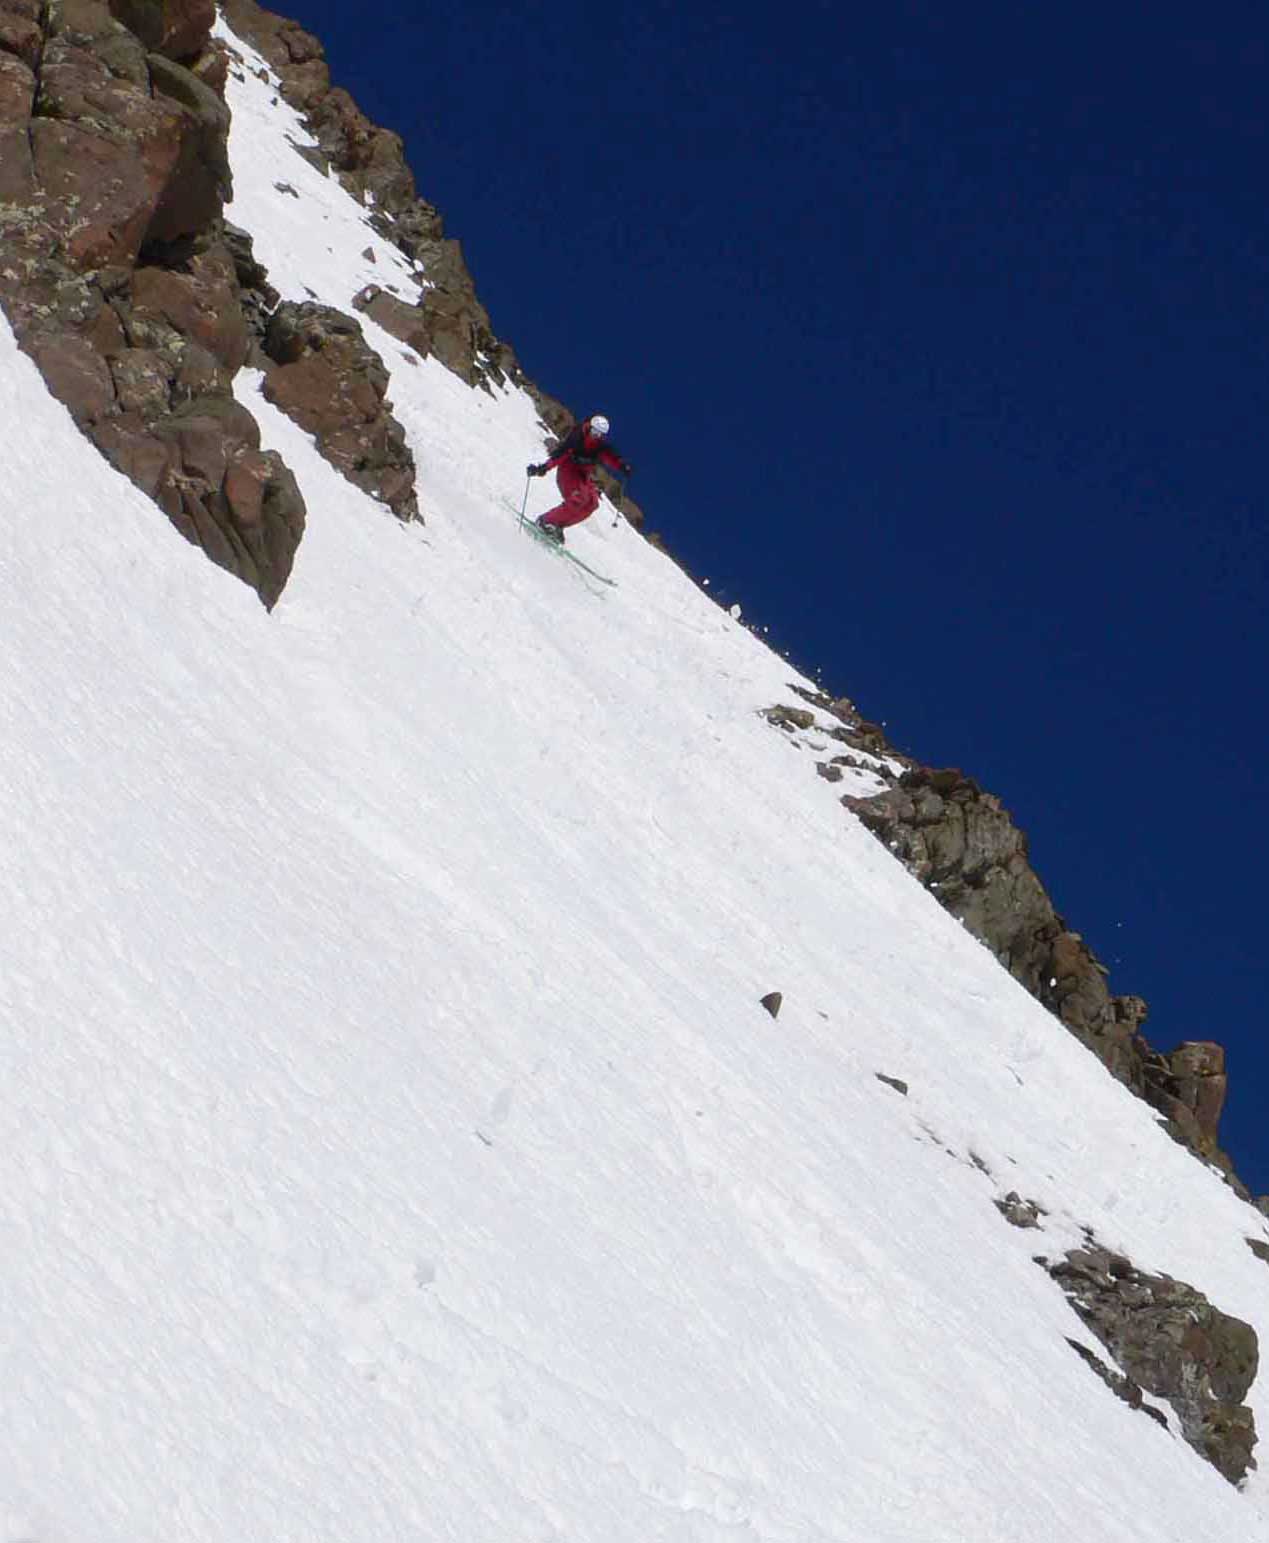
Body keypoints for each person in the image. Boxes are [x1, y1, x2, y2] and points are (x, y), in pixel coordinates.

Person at [527, 414, 631, 543]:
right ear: (590, 427)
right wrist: (542, 468)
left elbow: (611, 457)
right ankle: (546, 521)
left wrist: (623, 466)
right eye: (594, 431)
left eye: (599, 434)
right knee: (579, 499)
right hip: (568, 472)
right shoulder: (577, 438)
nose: (595, 436)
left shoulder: (600, 446)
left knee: (592, 503)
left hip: (583, 476)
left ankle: (558, 526)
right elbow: (560, 455)